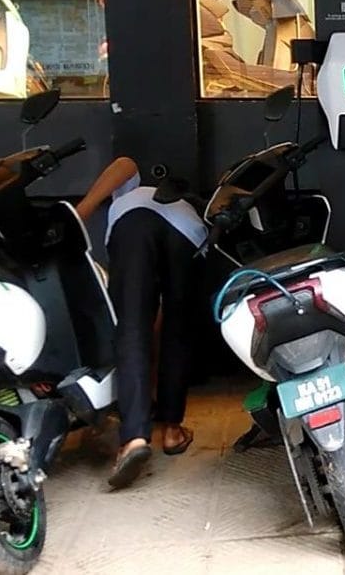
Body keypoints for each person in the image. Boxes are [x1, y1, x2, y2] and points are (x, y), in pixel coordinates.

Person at [76, 157, 208, 489]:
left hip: (134, 224)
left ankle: (134, 438)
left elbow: (125, 163)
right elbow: (160, 327)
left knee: (131, 328)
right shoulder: (185, 209)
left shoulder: (130, 196)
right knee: (177, 332)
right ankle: (173, 432)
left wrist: (83, 210)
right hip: (192, 237)